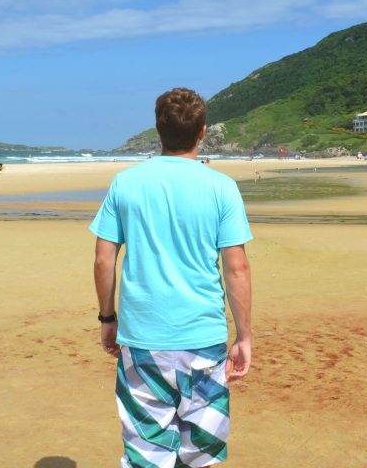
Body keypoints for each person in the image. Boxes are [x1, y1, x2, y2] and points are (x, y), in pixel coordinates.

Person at [90, 87, 253, 467]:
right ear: (202, 133)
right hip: (203, 341)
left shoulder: (126, 183)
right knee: (202, 456)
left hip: (143, 340)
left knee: (148, 454)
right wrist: (244, 336)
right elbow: (237, 268)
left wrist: (107, 318)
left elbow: (103, 260)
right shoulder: (221, 188)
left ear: (158, 130)